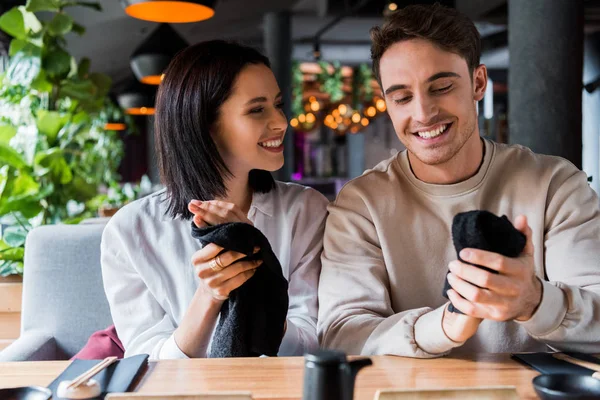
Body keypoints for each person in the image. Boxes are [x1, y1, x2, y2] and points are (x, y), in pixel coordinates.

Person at [317, 3, 600, 357]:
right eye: (403, 97)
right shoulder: (361, 205)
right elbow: (341, 335)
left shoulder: (555, 184)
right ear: (388, 103)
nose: (422, 114)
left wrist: (535, 301)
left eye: (441, 88)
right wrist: (446, 324)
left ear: (478, 82)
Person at [101, 40, 328, 359]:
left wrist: (261, 287)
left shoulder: (306, 210)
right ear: (205, 124)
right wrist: (209, 296)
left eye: (278, 104)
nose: (281, 122)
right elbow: (146, 363)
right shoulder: (130, 232)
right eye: (257, 109)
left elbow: (313, 344)